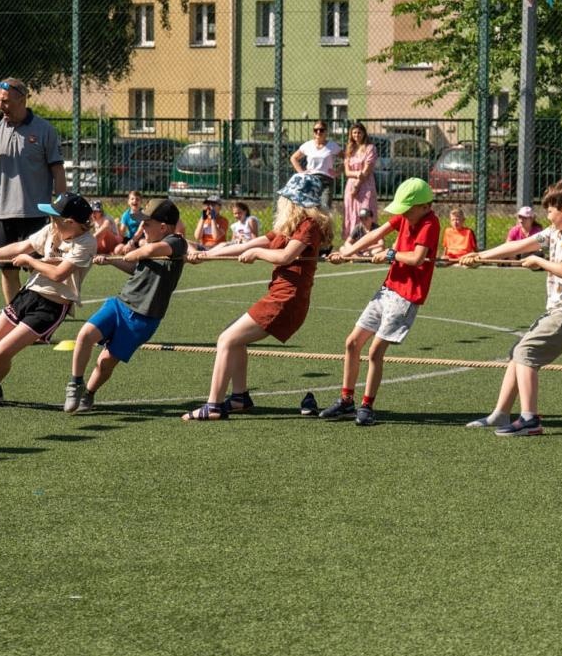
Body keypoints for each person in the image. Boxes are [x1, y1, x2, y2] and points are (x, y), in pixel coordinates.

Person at [180, 173, 331, 421]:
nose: (281, 202)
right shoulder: (289, 228)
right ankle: (239, 397)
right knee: (234, 337)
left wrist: (259, 253)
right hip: (280, 296)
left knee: (226, 339)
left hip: (287, 300)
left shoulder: (308, 227)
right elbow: (245, 245)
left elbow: (285, 257)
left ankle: (214, 406)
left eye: (286, 198)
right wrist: (208, 254)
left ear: (295, 201)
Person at [458, 179, 562, 437]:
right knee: (517, 352)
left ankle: (530, 419)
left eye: (550, 211)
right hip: (558, 311)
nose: (548, 216)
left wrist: (539, 261)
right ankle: (501, 414)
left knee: (526, 352)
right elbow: (516, 246)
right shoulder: (555, 233)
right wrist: (480, 257)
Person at [319, 178, 440, 427]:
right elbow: (377, 232)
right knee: (352, 343)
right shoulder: (407, 216)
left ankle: (366, 406)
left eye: (408, 209)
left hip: (406, 295)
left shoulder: (430, 222)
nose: (404, 214)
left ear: (424, 206)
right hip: (388, 288)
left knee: (375, 351)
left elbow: (418, 258)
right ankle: (346, 400)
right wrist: (346, 253)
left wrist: (390, 253)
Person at [0, 193, 97, 408]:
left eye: (55, 217)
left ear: (70, 222)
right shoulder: (53, 230)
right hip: (28, 294)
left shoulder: (86, 243)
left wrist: (30, 261)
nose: (51, 221)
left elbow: (60, 274)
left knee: (3, 350)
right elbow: (20, 247)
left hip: (52, 306)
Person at [64, 199, 188, 414]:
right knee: (85, 334)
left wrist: (134, 249)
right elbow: (136, 268)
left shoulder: (176, 242)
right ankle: (75, 383)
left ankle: (89, 394)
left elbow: (145, 253)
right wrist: (112, 260)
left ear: (163, 227)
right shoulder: (150, 246)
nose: (142, 228)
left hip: (144, 318)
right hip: (120, 303)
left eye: (146, 224)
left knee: (105, 362)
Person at [0, 77, 65, 304]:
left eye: (5, 101)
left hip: (36, 213)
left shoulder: (44, 130)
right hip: (3, 214)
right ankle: (15, 317)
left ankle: (39, 320)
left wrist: (62, 208)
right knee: (7, 270)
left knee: (39, 270)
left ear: (22, 99)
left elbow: (58, 172)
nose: (0, 106)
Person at [291, 120, 342, 209]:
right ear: (313, 132)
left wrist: (338, 171)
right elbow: (293, 158)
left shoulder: (332, 146)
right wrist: (301, 172)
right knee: (311, 209)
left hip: (326, 180)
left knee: (325, 208)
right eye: (316, 130)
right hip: (311, 180)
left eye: (321, 130)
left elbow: (347, 158)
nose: (318, 132)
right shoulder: (308, 145)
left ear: (326, 132)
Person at [340, 121, 377, 239]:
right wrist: (357, 174)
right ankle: (352, 241)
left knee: (365, 211)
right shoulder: (350, 150)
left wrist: (357, 185)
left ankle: (368, 242)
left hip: (366, 185)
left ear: (364, 133)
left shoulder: (370, 148)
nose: (356, 135)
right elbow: (347, 172)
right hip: (350, 185)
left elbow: (367, 171)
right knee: (351, 213)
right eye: (354, 133)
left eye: (359, 132)